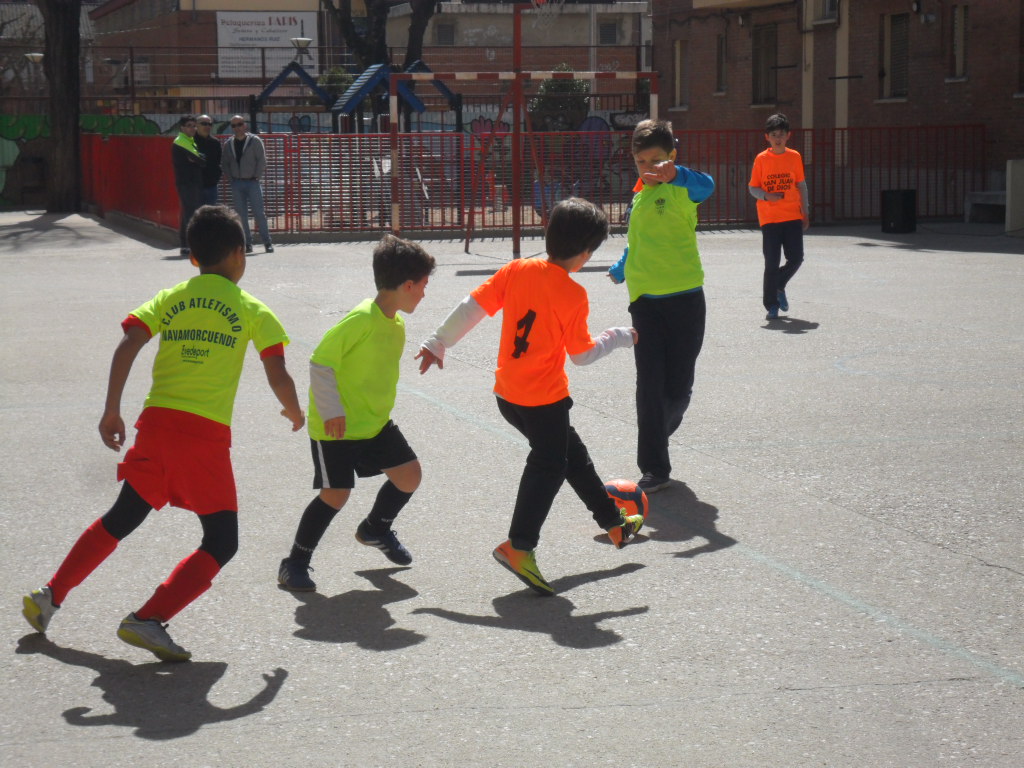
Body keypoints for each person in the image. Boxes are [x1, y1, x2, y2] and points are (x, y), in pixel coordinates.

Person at [21, 205, 305, 661]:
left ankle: (49, 595)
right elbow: (277, 373)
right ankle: (148, 619)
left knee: (121, 518)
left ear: (193, 257)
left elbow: (129, 342)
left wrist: (111, 409)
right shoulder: (253, 310)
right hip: (203, 438)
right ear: (240, 253)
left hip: (154, 427)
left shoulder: (171, 298)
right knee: (222, 540)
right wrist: (294, 410)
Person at [417, 198, 643, 597]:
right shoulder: (573, 294)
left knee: (572, 455)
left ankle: (614, 524)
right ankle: (519, 547)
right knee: (550, 464)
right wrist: (619, 337)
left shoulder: (517, 269)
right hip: (543, 400)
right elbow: (582, 355)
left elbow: (473, 307)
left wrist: (438, 342)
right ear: (586, 253)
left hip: (509, 395)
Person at [278, 234, 436, 592]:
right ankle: (295, 562)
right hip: (336, 428)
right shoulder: (361, 319)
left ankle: (375, 528)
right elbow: (321, 362)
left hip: (374, 425)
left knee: (409, 476)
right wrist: (332, 410)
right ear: (407, 285)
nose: (424, 294)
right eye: (423, 286)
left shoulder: (395, 323)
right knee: (335, 494)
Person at [607, 119, 715, 495]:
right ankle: (654, 467)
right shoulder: (638, 196)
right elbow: (638, 240)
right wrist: (623, 266)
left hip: (685, 298)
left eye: (656, 160)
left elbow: (708, 185)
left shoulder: (683, 188)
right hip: (644, 303)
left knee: (678, 388)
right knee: (649, 385)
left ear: (672, 156)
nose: (648, 168)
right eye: (641, 162)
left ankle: (659, 429)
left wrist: (677, 175)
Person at [748, 112, 810, 320]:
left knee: (797, 258)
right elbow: (753, 188)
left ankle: (779, 284)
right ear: (767, 137)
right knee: (771, 263)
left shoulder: (794, 157)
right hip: (770, 219)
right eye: (774, 134)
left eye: (781, 134)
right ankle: (771, 305)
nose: (778, 138)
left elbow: (801, 185)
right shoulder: (761, 159)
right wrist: (767, 196)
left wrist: (805, 211)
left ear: (788, 135)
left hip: (792, 216)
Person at [221, 115, 273, 254]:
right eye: (234, 125)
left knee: (259, 213)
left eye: (239, 124)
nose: (237, 128)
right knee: (241, 215)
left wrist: (257, 176)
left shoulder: (254, 141)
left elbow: (261, 160)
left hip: (252, 182)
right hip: (237, 183)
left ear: (245, 125)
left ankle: (267, 242)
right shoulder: (229, 143)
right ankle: (247, 243)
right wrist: (231, 178)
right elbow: (225, 163)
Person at [171, 115, 205, 257]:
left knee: (189, 212)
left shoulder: (189, 141)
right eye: (189, 126)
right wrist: (198, 159)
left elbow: (199, 159)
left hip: (191, 182)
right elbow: (201, 160)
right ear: (182, 128)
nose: (193, 128)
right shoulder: (181, 141)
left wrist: (198, 159)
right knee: (190, 213)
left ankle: (186, 244)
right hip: (187, 183)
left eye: (194, 126)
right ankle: (187, 244)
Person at [195, 114, 223, 206]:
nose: (207, 126)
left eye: (210, 124)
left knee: (210, 213)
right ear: (196, 125)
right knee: (195, 213)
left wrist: (215, 177)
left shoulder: (215, 142)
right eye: (204, 124)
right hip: (195, 187)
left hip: (211, 186)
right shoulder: (190, 142)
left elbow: (218, 161)